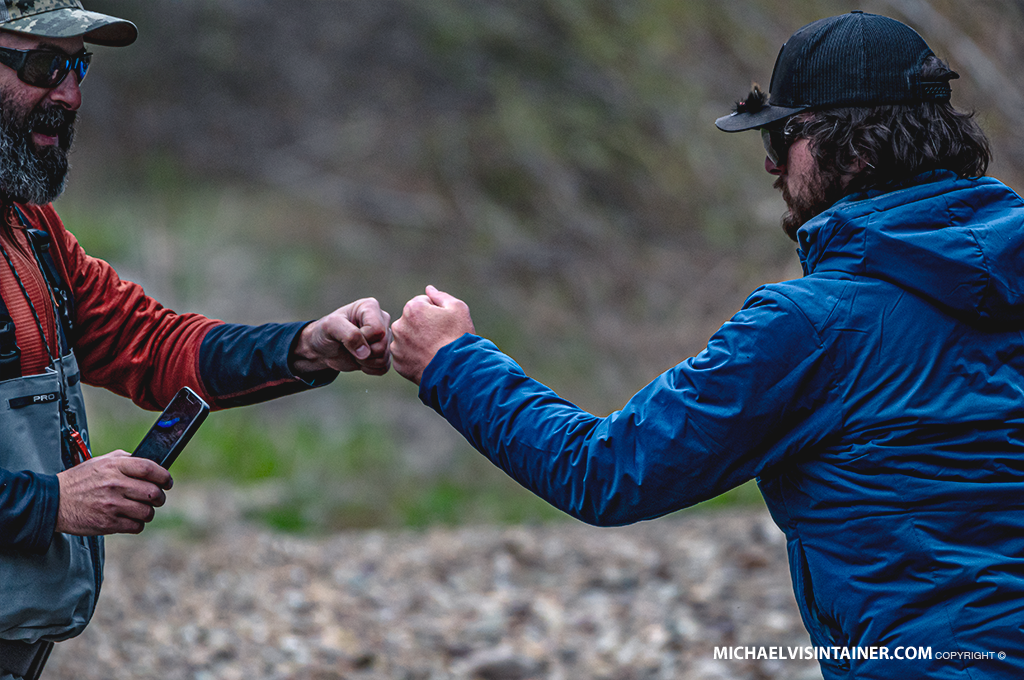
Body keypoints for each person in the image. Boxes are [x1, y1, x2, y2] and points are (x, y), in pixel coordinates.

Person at [391, 11, 1024, 680]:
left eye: (785, 134)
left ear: (859, 149)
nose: (771, 162)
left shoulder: (811, 327)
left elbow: (608, 473)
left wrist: (451, 363)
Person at [0, 2, 391, 678]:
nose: (68, 93)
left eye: (76, 65)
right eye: (41, 64)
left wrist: (304, 347)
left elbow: (150, 343)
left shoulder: (30, 230)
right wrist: (52, 502)